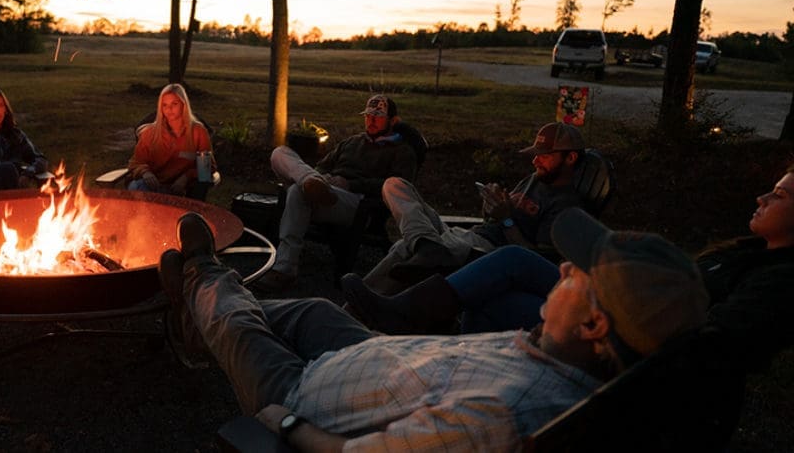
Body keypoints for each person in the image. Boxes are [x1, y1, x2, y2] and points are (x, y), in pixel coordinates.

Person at [159, 209, 708, 451]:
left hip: (304, 394)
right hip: (377, 356)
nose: (560, 269)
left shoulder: (503, 416)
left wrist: (287, 422)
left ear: (594, 323)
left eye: (577, 274)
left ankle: (201, 277)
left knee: (233, 315)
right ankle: (197, 314)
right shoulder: (561, 354)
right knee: (307, 309)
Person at [346, 165, 794, 366]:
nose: (762, 197)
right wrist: (508, 210)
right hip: (598, 295)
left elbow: (710, 339)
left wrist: (508, 219)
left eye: (780, 195)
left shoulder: (779, 279)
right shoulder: (743, 252)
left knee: (511, 262)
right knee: (487, 302)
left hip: (618, 322)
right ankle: (439, 342)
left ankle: (405, 314)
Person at [360, 121, 585, 296]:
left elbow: (534, 260)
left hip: (485, 251)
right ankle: (426, 244)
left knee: (404, 245)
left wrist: (506, 219)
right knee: (394, 185)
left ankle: (357, 307)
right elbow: (493, 219)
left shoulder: (565, 206)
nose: (536, 161)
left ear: (570, 157)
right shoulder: (535, 179)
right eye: (535, 154)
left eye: (544, 155)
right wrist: (492, 205)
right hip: (468, 234)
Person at [254, 94, 418, 291]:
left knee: (298, 191)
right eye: (368, 115)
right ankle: (310, 181)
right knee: (280, 153)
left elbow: (398, 186)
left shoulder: (402, 151)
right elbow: (322, 166)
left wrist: (350, 184)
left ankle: (285, 269)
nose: (371, 120)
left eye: (378, 116)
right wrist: (324, 178)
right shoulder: (351, 142)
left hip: (357, 204)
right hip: (326, 192)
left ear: (393, 121)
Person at [126, 83, 214, 197]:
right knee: (136, 188)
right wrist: (145, 172)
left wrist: (186, 177)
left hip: (182, 189)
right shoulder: (150, 133)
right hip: (153, 186)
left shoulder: (198, 132)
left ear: (184, 104)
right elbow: (136, 162)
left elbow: (205, 170)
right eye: (164, 105)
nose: (169, 109)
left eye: (174, 104)